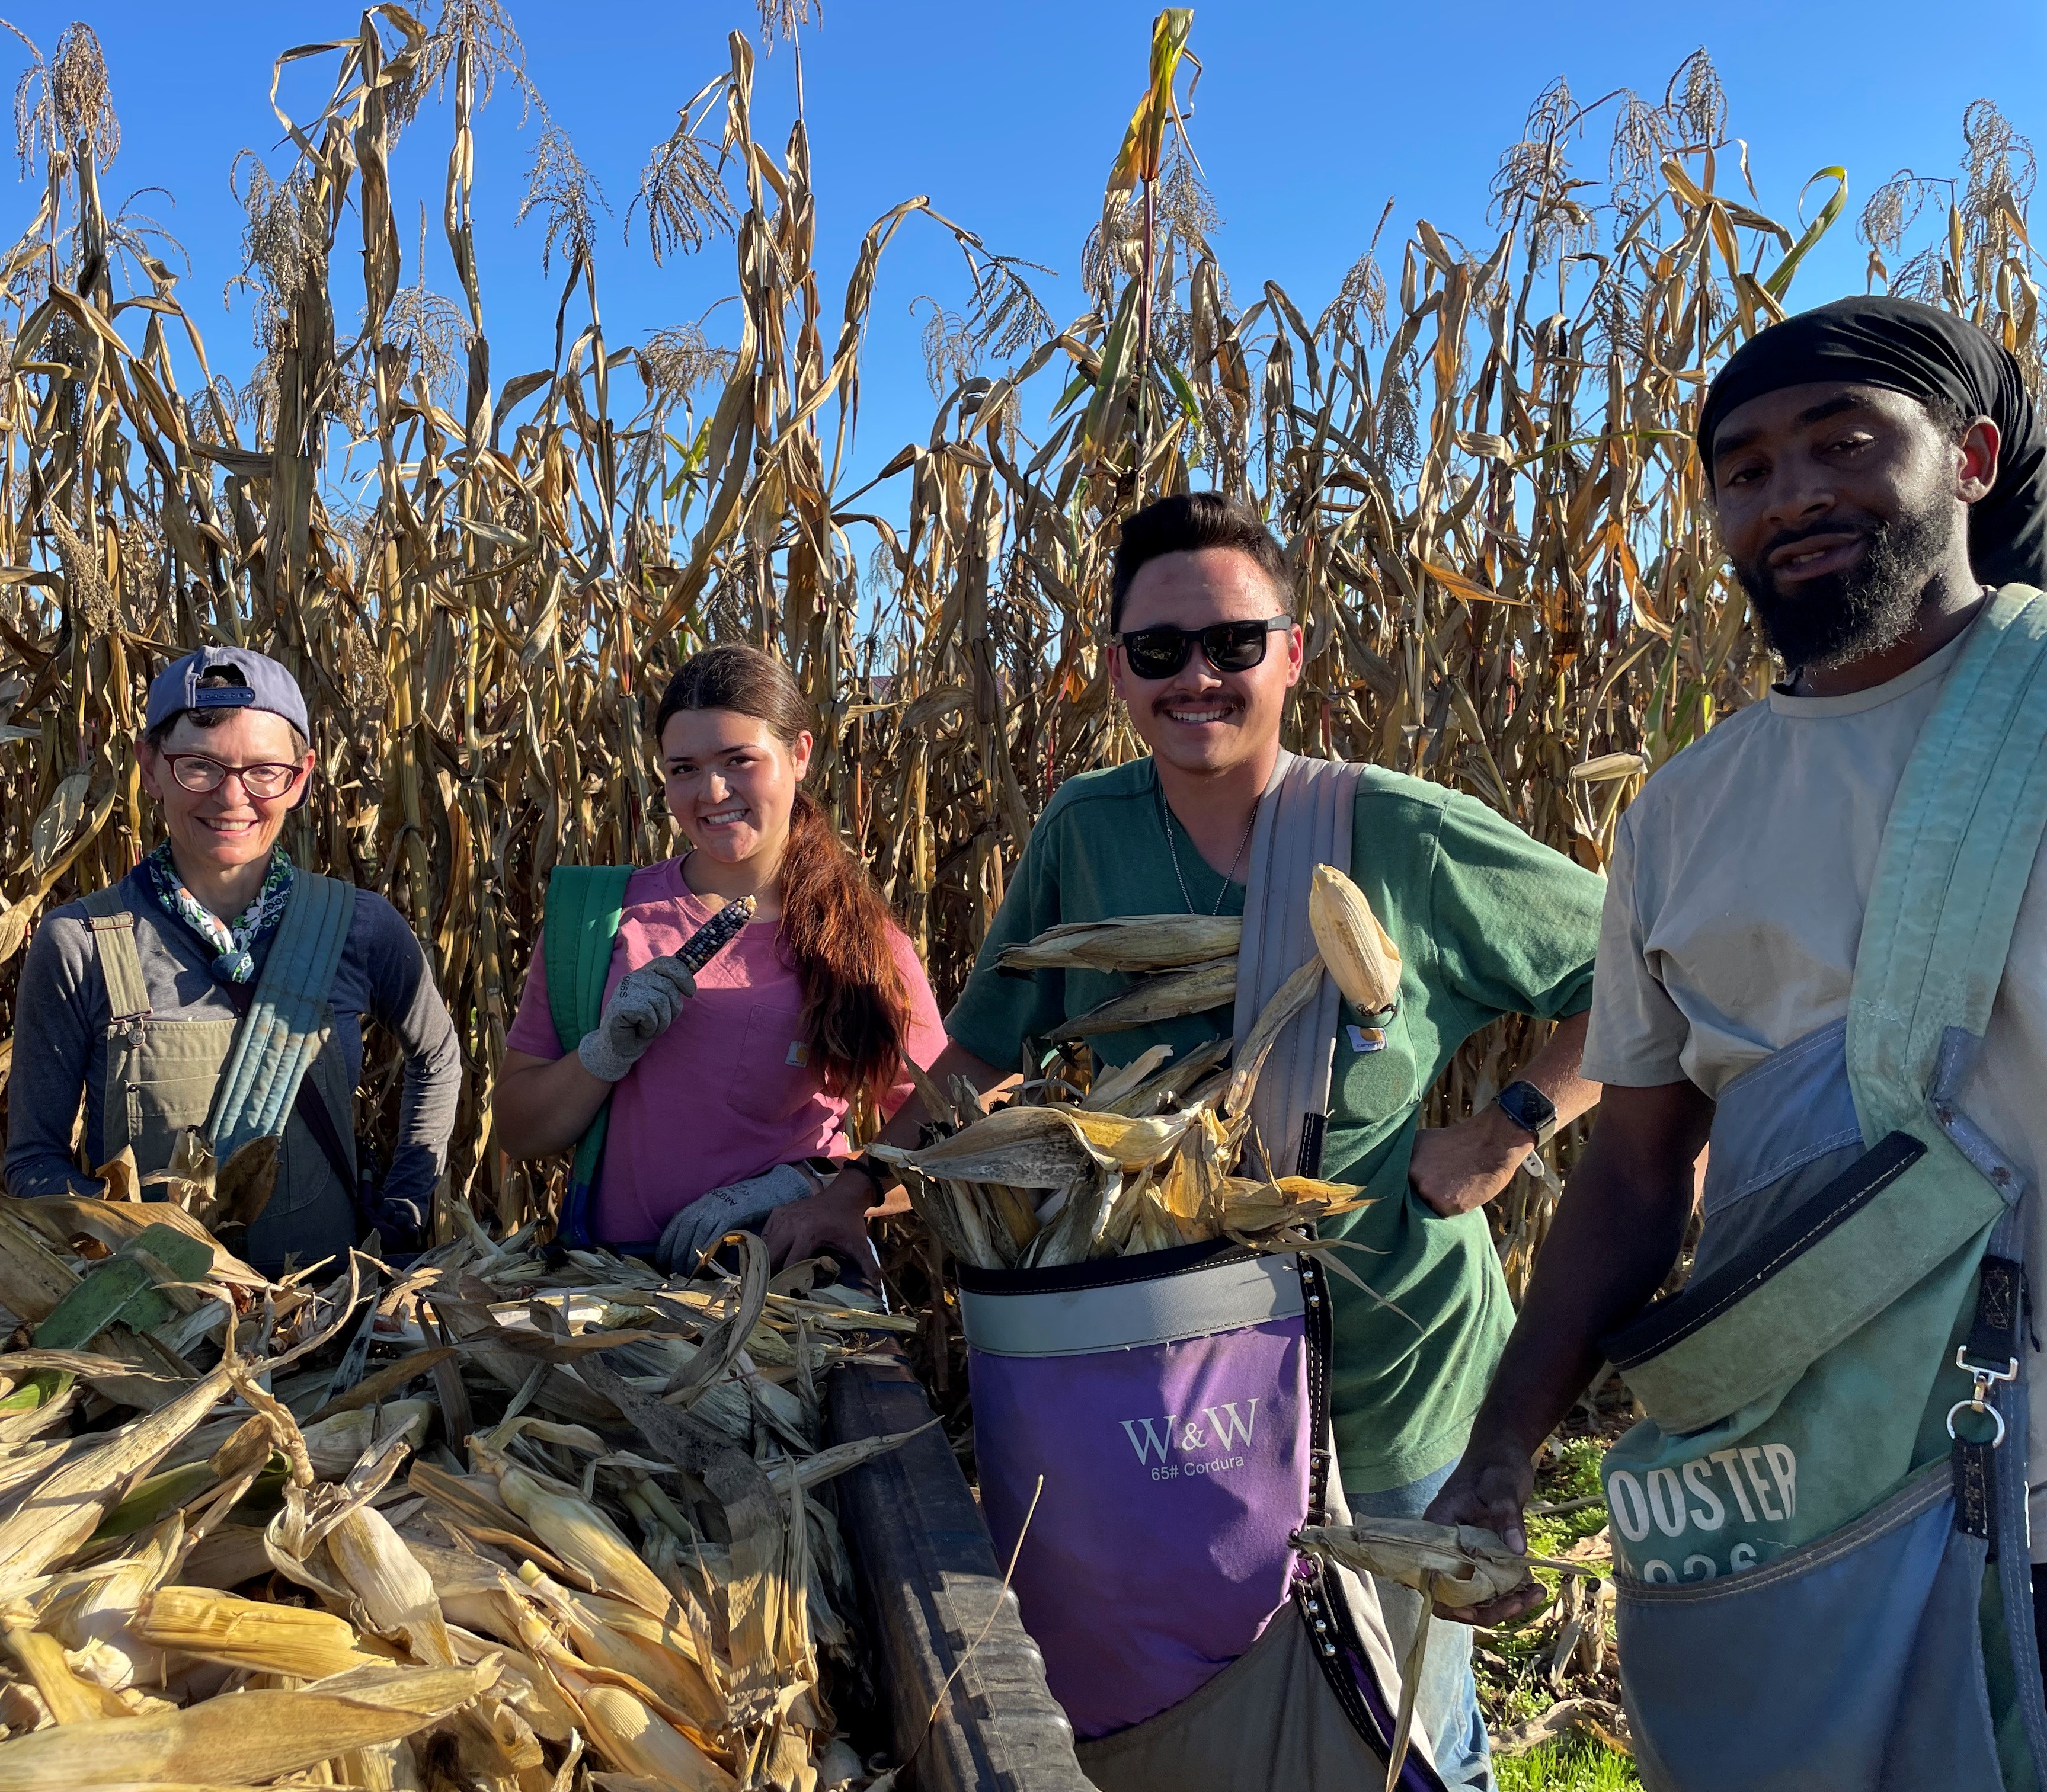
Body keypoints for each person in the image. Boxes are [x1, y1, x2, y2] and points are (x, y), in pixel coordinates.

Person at [767, 492, 1605, 1790]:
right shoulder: (1086, 832)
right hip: (1175, 1392)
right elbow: (981, 1049)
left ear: (1294, 654)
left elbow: (1645, 964)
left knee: (1412, 1730)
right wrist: (862, 1182)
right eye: (1158, 650)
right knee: (1221, 1708)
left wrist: (1512, 1126)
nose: (1196, 676)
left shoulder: (1398, 832)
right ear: (1116, 668)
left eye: (1232, 643)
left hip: (1387, 1374)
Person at [1426, 296, 2047, 1790]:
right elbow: (1639, 1174)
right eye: (1746, 471)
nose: (1794, 496)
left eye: (1846, 445)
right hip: (1819, 1471)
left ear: (1970, 459)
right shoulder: (1683, 815)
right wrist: (1505, 1447)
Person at [7, 647, 464, 1273]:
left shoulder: (359, 928)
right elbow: (33, 1165)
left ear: (300, 778)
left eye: (264, 771)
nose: (232, 796)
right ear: (150, 766)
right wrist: (124, 1239)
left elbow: (438, 1056)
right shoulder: (81, 943)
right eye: (199, 766)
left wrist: (404, 1209)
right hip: (157, 1317)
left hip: (328, 1314)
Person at [493, 644, 946, 1270]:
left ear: (800, 755)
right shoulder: (598, 919)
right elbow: (518, 1131)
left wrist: (809, 1189)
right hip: (619, 1283)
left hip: (786, 1283)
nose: (712, 791)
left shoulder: (865, 942)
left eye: (740, 761)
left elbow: (944, 1138)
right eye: (684, 769)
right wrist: (603, 1055)